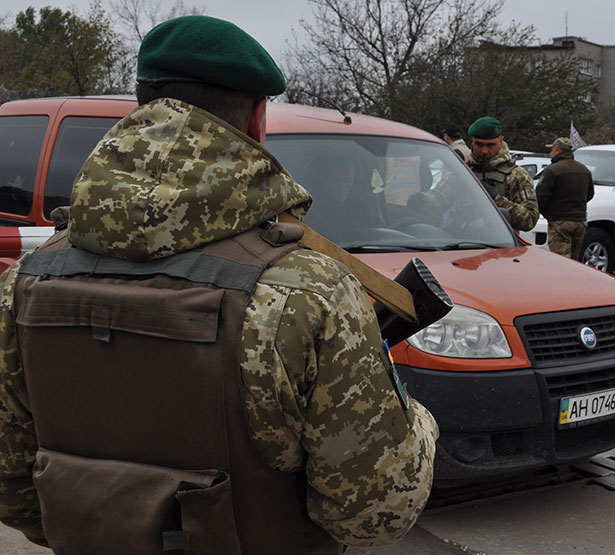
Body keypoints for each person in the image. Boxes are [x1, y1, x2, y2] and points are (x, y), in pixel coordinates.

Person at [0, 15, 438, 554]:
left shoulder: (24, 283)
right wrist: (417, 423)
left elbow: (13, 484)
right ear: (257, 121)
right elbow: (374, 513)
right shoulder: (306, 294)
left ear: (142, 107)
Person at [467, 116, 539, 232]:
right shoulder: (464, 170)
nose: (484, 151)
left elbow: (530, 219)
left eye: (490, 145)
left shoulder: (516, 175)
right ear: (472, 141)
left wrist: (498, 201)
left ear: (501, 141)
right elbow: (440, 198)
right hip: (462, 242)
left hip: (501, 245)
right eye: (479, 145)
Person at [536, 137, 595, 259]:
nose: (550, 153)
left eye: (551, 150)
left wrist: (546, 213)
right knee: (575, 261)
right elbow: (590, 194)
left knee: (560, 261)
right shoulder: (584, 170)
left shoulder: (552, 170)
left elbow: (540, 197)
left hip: (560, 222)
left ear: (557, 151)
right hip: (580, 221)